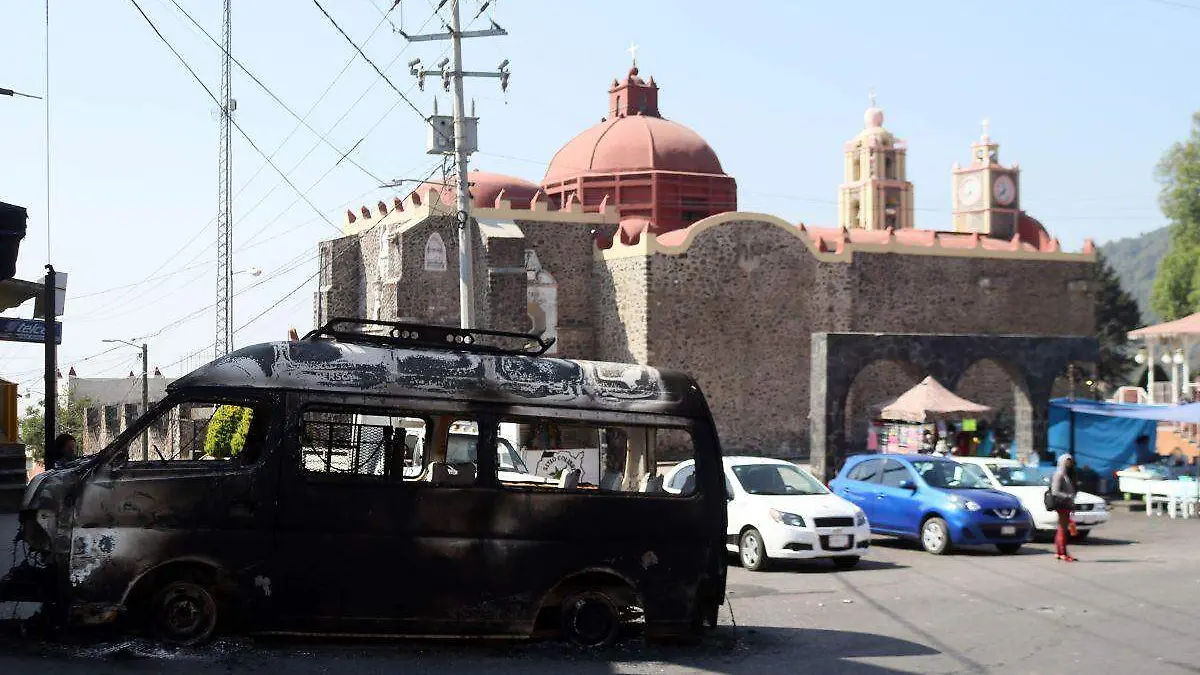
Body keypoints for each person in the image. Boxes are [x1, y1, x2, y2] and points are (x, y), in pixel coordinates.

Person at [1051, 453, 1078, 562]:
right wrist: (1068, 496)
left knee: (1061, 529)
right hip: (1062, 505)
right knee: (1063, 529)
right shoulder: (1059, 474)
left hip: (1067, 505)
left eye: (1070, 461)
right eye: (1067, 461)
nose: (1069, 463)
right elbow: (1055, 491)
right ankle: (1063, 553)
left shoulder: (1067, 474)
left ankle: (1059, 552)